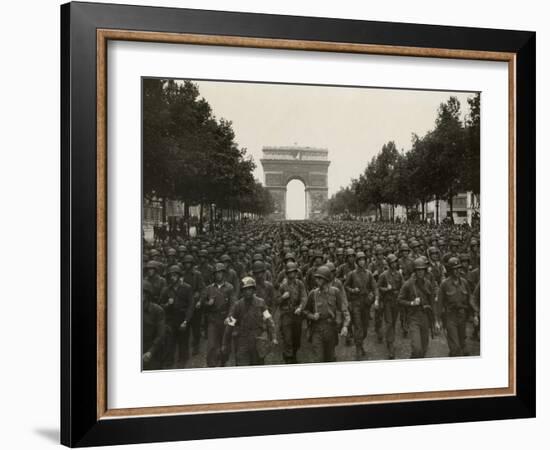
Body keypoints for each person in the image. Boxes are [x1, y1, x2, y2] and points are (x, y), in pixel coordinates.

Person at [296, 266, 350, 363]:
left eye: (319, 278)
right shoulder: (313, 294)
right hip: (317, 329)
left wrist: (345, 326)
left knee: (330, 358)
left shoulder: (335, 292)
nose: (317, 280)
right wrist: (312, 316)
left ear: (326, 279)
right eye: (316, 278)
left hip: (331, 330)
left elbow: (344, 310)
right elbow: (305, 311)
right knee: (318, 359)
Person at [222, 277, 277, 366]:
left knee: (258, 364)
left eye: (250, 289)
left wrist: (273, 337)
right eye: (245, 289)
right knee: (242, 364)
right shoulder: (238, 305)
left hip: (258, 338)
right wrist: (225, 343)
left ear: (254, 290)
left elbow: (269, 320)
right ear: (242, 291)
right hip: (243, 339)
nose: (248, 292)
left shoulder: (261, 303)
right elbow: (230, 325)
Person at [397, 257, 438, 358]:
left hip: (425, 317)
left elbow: (432, 302)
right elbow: (399, 300)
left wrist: (435, 320)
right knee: (416, 347)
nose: (420, 272)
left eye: (422, 270)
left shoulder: (427, 283)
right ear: (415, 271)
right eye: (418, 270)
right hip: (413, 317)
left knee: (424, 347)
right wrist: (411, 303)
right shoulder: (408, 284)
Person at [344, 251, 379, 360]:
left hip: (366, 303)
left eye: (363, 259)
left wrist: (376, 298)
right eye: (360, 260)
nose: (362, 262)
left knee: (364, 328)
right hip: (356, 303)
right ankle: (358, 348)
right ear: (357, 261)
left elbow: (375, 287)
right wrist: (352, 290)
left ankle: (360, 343)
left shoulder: (368, 274)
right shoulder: (352, 274)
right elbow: (345, 286)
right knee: (358, 326)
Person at [201, 263, 236, 367]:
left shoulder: (230, 287)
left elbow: (233, 304)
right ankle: (211, 365)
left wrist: (229, 317)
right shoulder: (209, 288)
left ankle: (223, 362)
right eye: (216, 273)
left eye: (220, 273)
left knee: (225, 343)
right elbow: (202, 304)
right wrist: (208, 303)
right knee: (211, 345)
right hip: (213, 319)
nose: (218, 275)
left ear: (224, 274)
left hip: (226, 318)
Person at [438, 257, 475, 356]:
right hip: (450, 316)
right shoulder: (444, 284)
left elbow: (470, 299)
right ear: (450, 270)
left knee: (462, 341)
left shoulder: (464, 282)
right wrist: (438, 321)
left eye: (458, 268)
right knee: (455, 344)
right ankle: (454, 352)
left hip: (462, 315)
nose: (457, 271)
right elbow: (440, 303)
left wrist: (474, 314)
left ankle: (453, 354)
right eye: (454, 269)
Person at [160, 265, 194, 368]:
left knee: (183, 342)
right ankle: (169, 363)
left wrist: (186, 321)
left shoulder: (187, 288)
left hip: (183, 318)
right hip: (171, 319)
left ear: (179, 276)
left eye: (174, 275)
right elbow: (160, 306)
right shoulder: (166, 290)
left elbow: (191, 305)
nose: (172, 277)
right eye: (170, 275)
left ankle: (182, 363)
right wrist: (167, 304)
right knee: (170, 342)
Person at [277, 261, 307, 363]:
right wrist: (282, 297)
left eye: (293, 272)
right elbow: (276, 301)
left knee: (296, 338)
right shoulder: (283, 286)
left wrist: (300, 307)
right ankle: (289, 358)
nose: (292, 274)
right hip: (286, 314)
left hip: (297, 314)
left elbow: (304, 297)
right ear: (287, 273)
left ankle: (293, 353)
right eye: (290, 272)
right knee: (287, 338)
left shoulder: (300, 284)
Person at [377, 254, 404, 359]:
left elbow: (403, 286)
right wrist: (386, 289)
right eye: (392, 263)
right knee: (389, 323)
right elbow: (378, 287)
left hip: (396, 301)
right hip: (387, 302)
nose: (394, 264)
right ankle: (390, 344)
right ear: (388, 264)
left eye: (395, 262)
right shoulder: (383, 275)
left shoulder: (399, 274)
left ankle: (390, 339)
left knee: (393, 322)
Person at [181, 254, 205, 356]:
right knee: (185, 328)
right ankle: (184, 349)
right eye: (186, 263)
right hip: (185, 304)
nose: (187, 265)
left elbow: (202, 289)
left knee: (196, 327)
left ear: (192, 264)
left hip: (195, 304)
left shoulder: (197, 275)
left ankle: (196, 346)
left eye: (189, 263)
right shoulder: (181, 275)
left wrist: (200, 300)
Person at [142, 280, 166, 370]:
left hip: (153, 350)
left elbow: (160, 335)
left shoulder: (157, 310)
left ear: (147, 295)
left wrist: (150, 352)